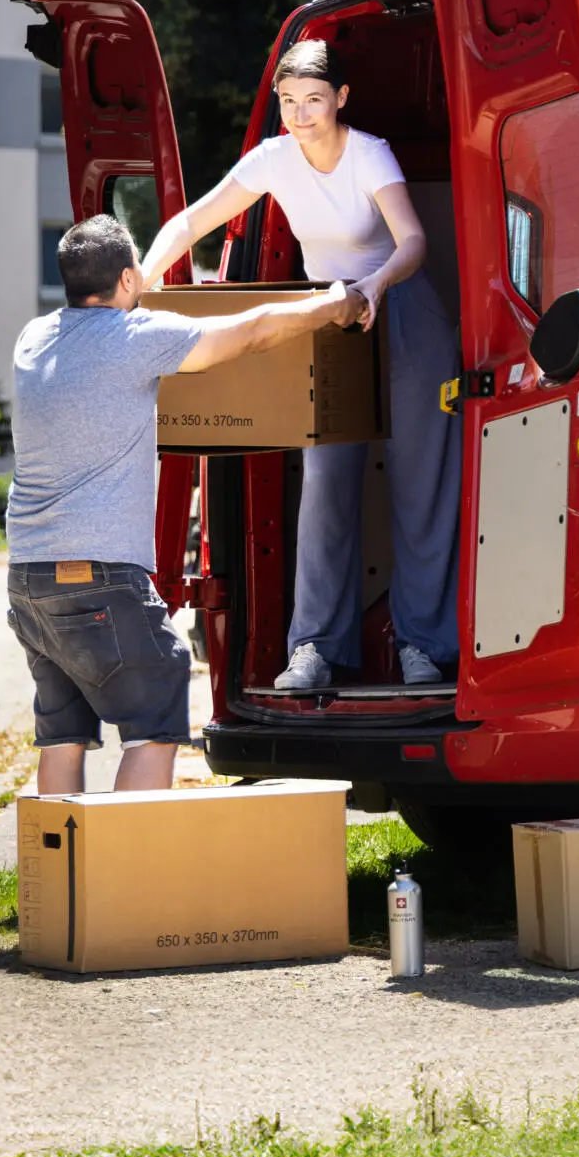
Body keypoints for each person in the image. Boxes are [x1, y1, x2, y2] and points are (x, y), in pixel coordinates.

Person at [139, 38, 463, 692]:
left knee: (418, 486)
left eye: (313, 100)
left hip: (402, 311)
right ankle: (315, 648)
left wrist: (374, 285)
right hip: (331, 318)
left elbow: (415, 242)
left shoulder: (369, 153)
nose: (300, 114)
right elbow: (188, 223)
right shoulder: (274, 159)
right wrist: (140, 287)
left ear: (341, 99)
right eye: (289, 102)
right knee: (325, 488)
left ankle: (423, 648)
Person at [8, 216, 364, 795]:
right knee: (153, 715)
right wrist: (331, 304)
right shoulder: (134, 338)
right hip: (99, 576)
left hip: (28, 581)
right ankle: (128, 874)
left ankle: (61, 879)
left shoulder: (34, 337)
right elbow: (250, 332)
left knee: (62, 733)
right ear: (127, 278)